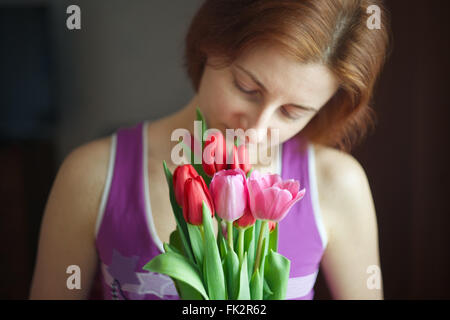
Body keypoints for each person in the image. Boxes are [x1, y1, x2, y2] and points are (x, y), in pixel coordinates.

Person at [29, 0, 390, 300]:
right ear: (209, 44)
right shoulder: (93, 174)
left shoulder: (336, 184)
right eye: (246, 87)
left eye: (291, 112)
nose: (257, 129)